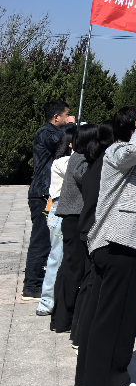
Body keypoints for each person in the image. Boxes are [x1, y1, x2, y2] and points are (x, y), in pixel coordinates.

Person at [74, 107, 136, 386]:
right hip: (120, 243)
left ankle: (91, 377)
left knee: (104, 314)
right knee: (117, 317)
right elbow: (133, 151)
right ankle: (109, 381)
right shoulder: (118, 151)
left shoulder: (121, 155)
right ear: (132, 129)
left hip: (115, 243)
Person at [23, 100, 74, 301]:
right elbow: (63, 143)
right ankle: (32, 285)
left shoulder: (52, 132)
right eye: (66, 115)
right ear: (56, 117)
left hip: (48, 194)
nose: (69, 118)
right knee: (41, 240)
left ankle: (39, 279)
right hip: (42, 194)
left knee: (49, 240)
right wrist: (72, 127)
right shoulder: (47, 133)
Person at [70, 121, 114, 349]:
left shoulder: (92, 167)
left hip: (86, 227)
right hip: (94, 229)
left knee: (88, 282)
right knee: (91, 283)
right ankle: (82, 336)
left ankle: (78, 333)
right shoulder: (102, 169)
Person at [51, 124, 98, 333]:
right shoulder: (79, 159)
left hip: (75, 219)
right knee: (73, 270)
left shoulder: (79, 158)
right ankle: (64, 318)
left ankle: (63, 317)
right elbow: (86, 178)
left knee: (71, 268)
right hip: (74, 219)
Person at [36, 127, 75, 316]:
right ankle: (46, 302)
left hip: (63, 211)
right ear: (70, 143)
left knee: (62, 257)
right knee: (56, 257)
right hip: (59, 210)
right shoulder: (62, 162)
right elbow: (76, 170)